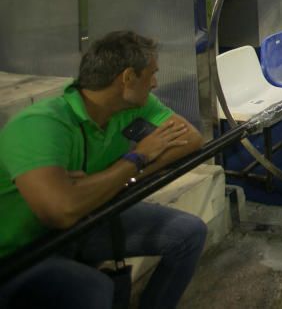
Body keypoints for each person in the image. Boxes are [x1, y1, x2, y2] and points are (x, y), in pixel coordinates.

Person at [0, 31, 207, 307]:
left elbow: (190, 138)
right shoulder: (40, 124)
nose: (156, 83)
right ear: (127, 78)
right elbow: (59, 211)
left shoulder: (131, 106)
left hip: (87, 218)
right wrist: (136, 158)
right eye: (152, 74)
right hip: (25, 251)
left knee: (188, 232)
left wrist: (110, 180)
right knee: (93, 289)